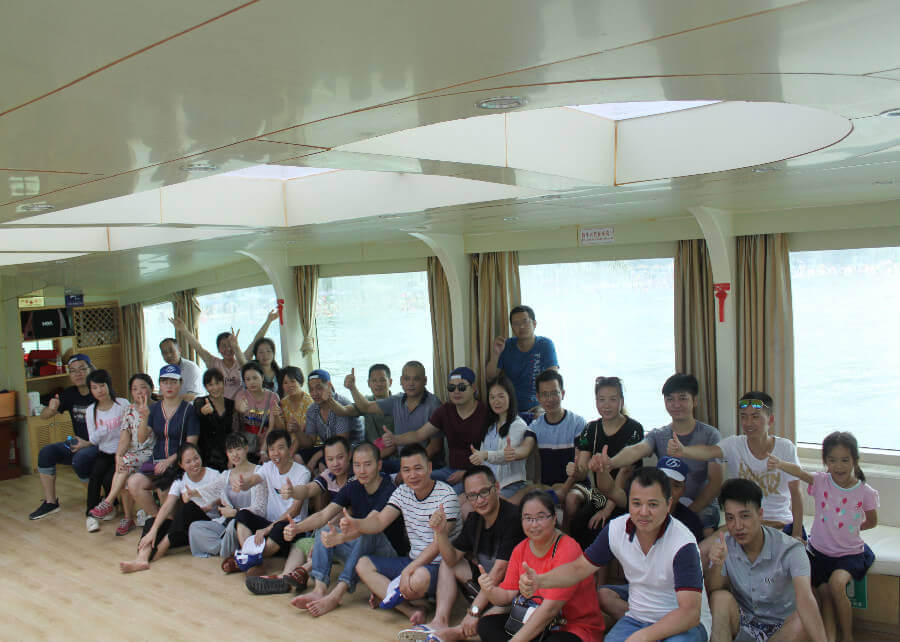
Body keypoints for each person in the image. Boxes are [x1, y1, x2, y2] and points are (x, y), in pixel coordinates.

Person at [519, 468, 711, 642]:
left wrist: (644, 636)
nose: (643, 512)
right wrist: (540, 581)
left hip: (682, 624)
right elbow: (579, 568)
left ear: (668, 504)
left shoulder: (682, 542)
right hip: (638, 618)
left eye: (653, 504)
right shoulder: (617, 529)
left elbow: (689, 613)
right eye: (636, 503)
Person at [768, 431, 879, 642]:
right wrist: (780, 463)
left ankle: (848, 637)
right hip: (819, 552)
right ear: (825, 461)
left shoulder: (865, 491)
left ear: (855, 460)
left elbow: (872, 521)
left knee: (837, 584)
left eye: (845, 460)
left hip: (849, 554)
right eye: (832, 460)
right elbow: (800, 472)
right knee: (825, 594)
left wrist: (851, 529)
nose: (839, 466)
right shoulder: (821, 481)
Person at [335, 444, 462, 625]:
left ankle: (396, 594)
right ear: (401, 472)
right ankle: (412, 607)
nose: (412, 475)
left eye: (418, 468)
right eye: (406, 470)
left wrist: (407, 571)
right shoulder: (403, 491)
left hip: (439, 568)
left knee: (417, 578)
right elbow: (379, 521)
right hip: (412, 560)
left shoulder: (446, 496)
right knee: (362, 564)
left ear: (429, 467)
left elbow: (437, 546)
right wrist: (356, 523)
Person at [402, 465, 526, 642]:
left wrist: (473, 611)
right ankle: (439, 622)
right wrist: (441, 533)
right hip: (486, 587)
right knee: (448, 565)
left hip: (510, 593)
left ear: (497, 488)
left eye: (484, 492)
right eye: (472, 496)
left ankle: (454, 634)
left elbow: (498, 572)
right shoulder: (475, 519)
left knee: (487, 621)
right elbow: (452, 559)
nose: (479, 500)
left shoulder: (512, 518)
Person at [592, 373, 723, 534]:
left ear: (694, 400)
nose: (676, 404)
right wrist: (610, 463)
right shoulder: (659, 435)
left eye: (682, 398)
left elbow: (715, 482)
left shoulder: (711, 435)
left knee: (703, 531)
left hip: (701, 505)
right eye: (670, 399)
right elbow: (636, 450)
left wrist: (688, 513)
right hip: (667, 503)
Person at [286, 442, 405, 616]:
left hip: (388, 556)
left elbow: (372, 523)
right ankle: (319, 589)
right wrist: (296, 528)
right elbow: (323, 515)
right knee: (326, 530)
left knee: (367, 533)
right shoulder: (353, 486)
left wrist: (343, 536)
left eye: (367, 464)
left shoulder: (389, 489)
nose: (362, 471)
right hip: (361, 552)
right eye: (357, 465)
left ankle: (336, 595)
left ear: (379, 465)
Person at [668, 392, 804, 539]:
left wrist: (796, 533)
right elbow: (709, 451)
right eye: (744, 417)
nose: (748, 423)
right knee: (706, 546)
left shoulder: (785, 448)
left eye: (755, 417)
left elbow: (796, 493)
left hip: (778, 523)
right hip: (742, 522)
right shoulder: (734, 444)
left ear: (770, 420)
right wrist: (683, 451)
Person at [475, 489, 605, 642]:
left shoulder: (568, 548)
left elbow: (550, 610)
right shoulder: (520, 549)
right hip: (534, 619)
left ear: (554, 518)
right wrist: (490, 590)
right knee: (486, 625)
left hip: (572, 625)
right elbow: (506, 595)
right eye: (528, 518)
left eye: (540, 517)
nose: (534, 524)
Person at [593, 457, 713, 622]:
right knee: (604, 595)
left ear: (683, 489)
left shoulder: (690, 523)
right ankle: (646, 623)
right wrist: (602, 471)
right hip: (639, 591)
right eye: (664, 483)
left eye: (676, 485)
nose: (669, 489)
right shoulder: (636, 511)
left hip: (673, 596)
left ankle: (655, 626)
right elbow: (610, 490)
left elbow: (696, 573)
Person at [706, 478, 826, 642]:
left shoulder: (790, 549)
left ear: (760, 514)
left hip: (782, 627)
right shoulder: (725, 544)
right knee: (719, 599)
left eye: (745, 516)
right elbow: (714, 590)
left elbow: (805, 599)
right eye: (730, 518)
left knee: (802, 622)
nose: (738, 526)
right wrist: (717, 564)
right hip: (745, 622)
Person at [245, 435, 354, 595]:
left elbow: (338, 515)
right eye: (330, 459)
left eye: (340, 457)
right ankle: (285, 578)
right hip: (331, 535)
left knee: (324, 535)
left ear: (349, 455)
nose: (335, 463)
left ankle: (301, 573)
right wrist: (293, 491)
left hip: (351, 540)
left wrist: (305, 530)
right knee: (301, 544)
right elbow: (309, 489)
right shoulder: (329, 475)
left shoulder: (355, 479)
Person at [120, 443, 224, 573]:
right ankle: (142, 559)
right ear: (181, 465)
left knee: (189, 508)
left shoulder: (214, 475)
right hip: (185, 530)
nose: (194, 464)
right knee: (152, 522)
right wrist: (153, 531)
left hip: (207, 526)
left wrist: (210, 504)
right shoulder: (180, 480)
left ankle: (162, 547)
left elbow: (225, 499)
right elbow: (166, 506)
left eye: (196, 458)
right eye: (188, 462)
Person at [383, 367, 489, 494]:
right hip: (450, 471)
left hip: (476, 473)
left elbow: (492, 454)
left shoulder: (485, 413)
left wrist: (467, 472)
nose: (456, 391)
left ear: (473, 388)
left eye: (461, 387)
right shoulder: (446, 410)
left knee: (449, 497)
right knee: (411, 485)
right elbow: (419, 434)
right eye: (451, 388)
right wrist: (395, 439)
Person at [567, 376, 644, 548]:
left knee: (601, 528)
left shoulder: (634, 429)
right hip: (600, 495)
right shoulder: (590, 429)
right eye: (601, 400)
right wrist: (575, 470)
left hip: (626, 495)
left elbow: (625, 472)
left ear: (621, 401)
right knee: (578, 524)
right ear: (596, 402)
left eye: (612, 399)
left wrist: (606, 510)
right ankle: (580, 564)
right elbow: (582, 470)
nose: (606, 405)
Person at [226, 430, 311, 574]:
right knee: (242, 515)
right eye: (271, 449)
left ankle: (247, 560)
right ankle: (251, 558)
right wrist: (243, 484)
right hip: (270, 524)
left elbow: (295, 510)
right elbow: (253, 480)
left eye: (280, 448)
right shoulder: (268, 467)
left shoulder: (302, 473)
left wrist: (268, 529)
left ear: (290, 449)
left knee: (280, 527)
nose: (276, 453)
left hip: (292, 527)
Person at [332, 360, 441, 471]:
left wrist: (411, 468)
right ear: (401, 381)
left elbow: (435, 446)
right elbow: (365, 407)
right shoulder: (396, 401)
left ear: (425, 381)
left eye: (416, 379)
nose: (411, 383)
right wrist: (352, 388)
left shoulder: (433, 405)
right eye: (407, 379)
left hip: (426, 465)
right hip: (401, 463)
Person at [125, 364, 200, 521]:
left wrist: (169, 461)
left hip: (179, 464)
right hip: (157, 463)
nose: (169, 386)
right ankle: (161, 520)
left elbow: (191, 444)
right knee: (133, 483)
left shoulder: (189, 410)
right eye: (165, 382)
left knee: (163, 488)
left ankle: (166, 524)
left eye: (173, 382)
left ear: (180, 383)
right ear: (160, 385)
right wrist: (145, 416)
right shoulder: (154, 409)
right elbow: (141, 439)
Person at [88, 373, 157, 536]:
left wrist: (144, 415)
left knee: (126, 463)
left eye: (143, 388)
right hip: (133, 455)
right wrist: (118, 456)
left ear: (151, 388)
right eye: (134, 389)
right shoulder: (129, 409)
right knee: (123, 467)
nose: (139, 392)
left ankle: (109, 501)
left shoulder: (157, 408)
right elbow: (125, 436)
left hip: (151, 453)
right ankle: (127, 517)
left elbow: (144, 436)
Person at [30, 354, 97, 520]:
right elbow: (44, 416)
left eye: (82, 369)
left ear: (91, 369)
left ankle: (97, 500)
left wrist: (88, 443)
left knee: (80, 458)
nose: (78, 374)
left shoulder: (100, 391)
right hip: (77, 442)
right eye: (73, 371)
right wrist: (51, 409)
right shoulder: (69, 393)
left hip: (98, 444)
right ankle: (51, 502)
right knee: (46, 452)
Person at [189, 432, 267, 561]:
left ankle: (229, 549)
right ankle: (227, 548)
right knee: (196, 527)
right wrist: (193, 492)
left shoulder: (259, 472)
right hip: (227, 522)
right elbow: (211, 489)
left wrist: (236, 512)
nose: (235, 454)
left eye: (238, 449)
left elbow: (260, 508)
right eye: (230, 451)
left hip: (247, 523)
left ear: (246, 449)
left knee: (232, 527)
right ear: (227, 454)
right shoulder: (226, 475)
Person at [520, 370, 586, 508]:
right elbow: (524, 449)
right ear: (538, 397)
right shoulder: (535, 426)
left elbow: (581, 469)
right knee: (524, 494)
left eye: (554, 393)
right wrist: (507, 453)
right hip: (548, 487)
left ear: (562, 393)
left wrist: (564, 490)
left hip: (577, 486)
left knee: (571, 498)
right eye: (545, 394)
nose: (550, 399)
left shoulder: (578, 423)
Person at [485, 304, 559, 423]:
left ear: (534, 324)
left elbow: (553, 379)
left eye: (525, 321)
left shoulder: (545, 344)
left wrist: (543, 407)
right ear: (512, 327)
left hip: (538, 407)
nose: (521, 326)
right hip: (511, 409)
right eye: (516, 323)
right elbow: (490, 378)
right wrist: (495, 354)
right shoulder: (506, 345)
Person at [468, 374, 535, 500]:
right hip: (488, 484)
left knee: (471, 507)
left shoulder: (518, 425)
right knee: (461, 502)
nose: (496, 401)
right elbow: (483, 458)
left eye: (501, 396)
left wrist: (485, 455)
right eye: (492, 397)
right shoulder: (490, 426)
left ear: (510, 397)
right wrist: (478, 459)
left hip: (509, 485)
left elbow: (505, 457)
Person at [82, 369, 130, 533]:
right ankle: (90, 515)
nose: (99, 391)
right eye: (94, 387)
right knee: (95, 476)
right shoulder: (91, 410)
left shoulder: (122, 404)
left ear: (108, 385)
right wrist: (101, 431)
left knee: (110, 478)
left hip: (123, 452)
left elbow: (132, 428)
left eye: (102, 385)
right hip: (104, 452)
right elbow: (92, 440)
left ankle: (111, 506)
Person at [299, 370, 364, 467]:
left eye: (319, 388)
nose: (314, 393)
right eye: (311, 389)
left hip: (351, 449)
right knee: (298, 457)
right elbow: (310, 442)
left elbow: (340, 443)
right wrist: (297, 431)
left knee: (322, 464)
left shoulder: (341, 405)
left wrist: (315, 458)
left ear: (330, 386)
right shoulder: (312, 409)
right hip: (329, 449)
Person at [170, 317, 245, 399]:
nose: (228, 349)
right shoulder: (214, 363)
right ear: (218, 349)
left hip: (240, 404)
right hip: (219, 403)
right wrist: (184, 330)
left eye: (231, 345)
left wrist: (236, 347)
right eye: (224, 346)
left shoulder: (241, 362)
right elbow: (198, 348)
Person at [232, 361, 283, 462]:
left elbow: (271, 427)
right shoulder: (241, 395)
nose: (252, 382)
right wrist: (239, 409)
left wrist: (263, 451)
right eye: (248, 379)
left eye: (255, 378)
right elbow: (237, 420)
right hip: (246, 444)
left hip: (267, 442)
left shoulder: (273, 397)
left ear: (262, 377)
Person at [193, 368, 235, 471]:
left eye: (217, 383)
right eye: (210, 385)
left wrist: (232, 456)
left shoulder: (230, 404)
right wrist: (202, 412)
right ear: (205, 387)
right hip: (206, 457)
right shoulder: (200, 402)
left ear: (223, 383)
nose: (215, 388)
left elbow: (232, 432)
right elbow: (197, 415)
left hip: (227, 456)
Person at [242, 309, 281, 394]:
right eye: (261, 352)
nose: (265, 355)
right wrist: (268, 321)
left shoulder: (280, 373)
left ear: (273, 353)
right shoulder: (250, 371)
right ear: (255, 354)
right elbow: (254, 342)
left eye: (268, 351)